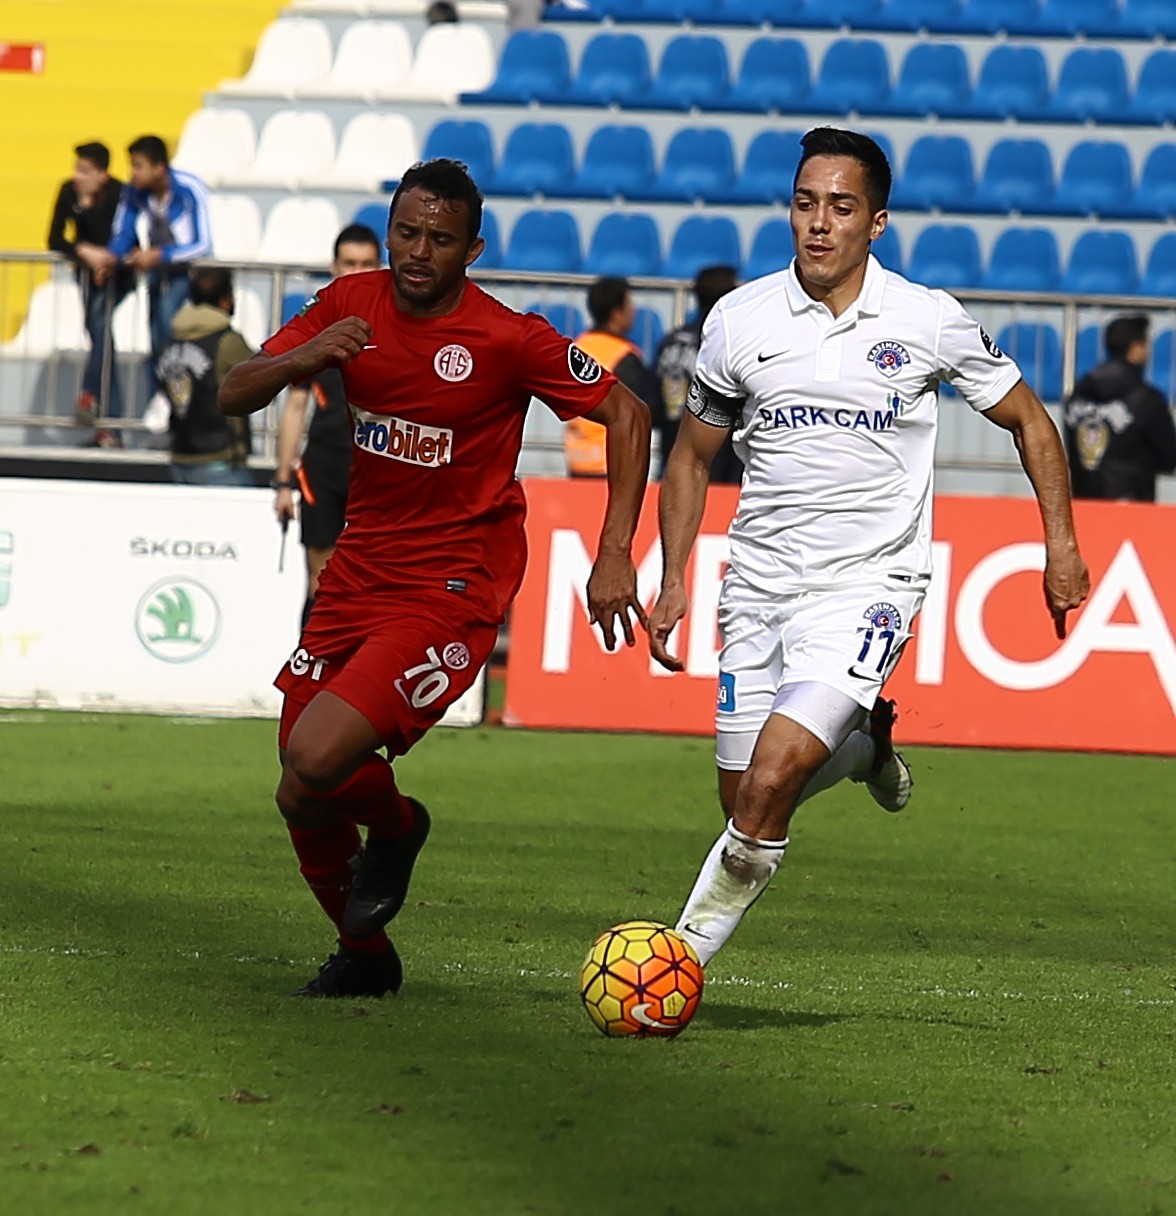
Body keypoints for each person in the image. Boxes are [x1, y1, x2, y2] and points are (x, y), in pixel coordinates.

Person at [646, 127, 1090, 970]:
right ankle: (863, 751)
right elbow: (693, 457)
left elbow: (1031, 419)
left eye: (842, 208)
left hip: (868, 586)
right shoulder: (738, 320)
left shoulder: (926, 319)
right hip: (758, 587)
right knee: (742, 799)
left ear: (876, 222)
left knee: (769, 785)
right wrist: (673, 577)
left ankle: (674, 962)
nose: (819, 223)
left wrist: (1060, 546)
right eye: (805, 204)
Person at [218, 158, 650, 999]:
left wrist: (614, 551)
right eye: (407, 233)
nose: (419, 252)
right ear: (389, 231)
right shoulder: (350, 304)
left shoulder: (508, 337)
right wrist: (307, 353)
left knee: (316, 755)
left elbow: (628, 415)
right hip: (358, 572)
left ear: (472, 250)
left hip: (451, 585)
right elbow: (234, 393)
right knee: (299, 792)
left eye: (440, 240)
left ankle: (400, 825)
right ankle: (366, 957)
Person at [273, 224, 383, 628]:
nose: (357, 272)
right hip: (324, 464)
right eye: (349, 263)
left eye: (366, 264)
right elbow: (295, 405)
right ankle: (311, 663)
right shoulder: (315, 323)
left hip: (380, 467)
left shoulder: (396, 324)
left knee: (374, 584)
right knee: (320, 580)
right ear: (334, 267)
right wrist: (283, 481)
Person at [93, 134, 212, 401]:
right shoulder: (134, 192)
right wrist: (110, 258)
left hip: (187, 271)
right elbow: (123, 232)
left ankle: (176, 394)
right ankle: (160, 397)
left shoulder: (189, 187)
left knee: (167, 321)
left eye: (138, 165)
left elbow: (202, 244)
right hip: (157, 271)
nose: (132, 173)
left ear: (159, 167)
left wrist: (160, 255)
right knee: (154, 334)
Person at [46, 141, 135, 447]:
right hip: (88, 276)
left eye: (84, 171)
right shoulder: (69, 192)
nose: (77, 176)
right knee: (101, 338)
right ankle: (110, 427)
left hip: (118, 275)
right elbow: (55, 238)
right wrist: (84, 251)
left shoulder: (120, 193)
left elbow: (125, 235)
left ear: (102, 175)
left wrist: (106, 259)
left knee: (99, 326)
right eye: (77, 169)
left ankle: (90, 395)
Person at [1064, 314, 1176, 502]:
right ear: (1136, 348)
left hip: (1083, 503)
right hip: (1132, 506)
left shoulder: (1078, 394)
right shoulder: (1146, 398)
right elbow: (1169, 457)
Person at [159, 267, 254, 486]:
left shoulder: (172, 341)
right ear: (226, 300)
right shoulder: (227, 342)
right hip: (221, 458)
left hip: (180, 456)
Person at [649, 265, 741, 483]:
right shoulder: (730, 346)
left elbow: (652, 404)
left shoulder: (670, 342)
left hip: (673, 460)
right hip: (719, 469)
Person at [564, 276, 647, 478]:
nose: (634, 311)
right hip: (609, 461)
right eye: (629, 305)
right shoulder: (624, 356)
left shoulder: (576, 347)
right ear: (616, 313)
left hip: (577, 458)